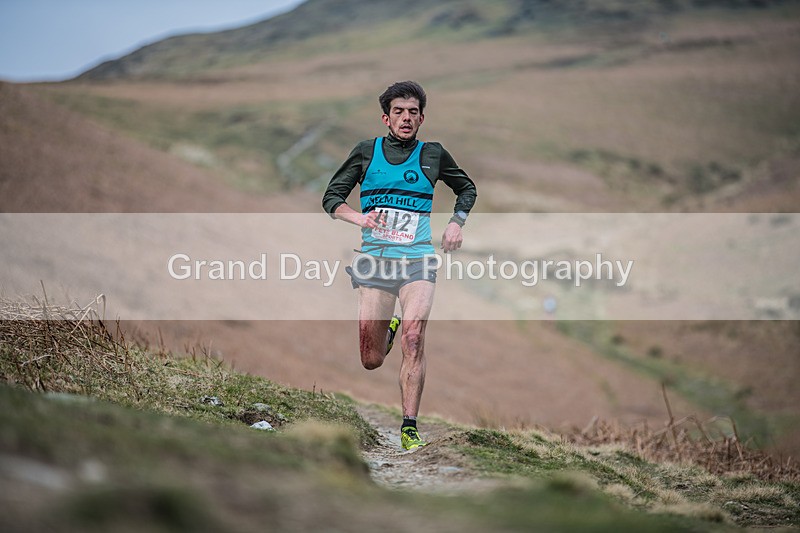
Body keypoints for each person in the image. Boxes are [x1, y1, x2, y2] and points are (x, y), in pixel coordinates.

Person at [322, 81, 477, 450]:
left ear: (421, 118)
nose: (406, 118)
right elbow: (331, 197)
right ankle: (389, 327)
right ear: (386, 118)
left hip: (417, 260)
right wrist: (359, 218)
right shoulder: (366, 152)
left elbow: (466, 188)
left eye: (412, 112)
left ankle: (409, 427)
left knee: (414, 338)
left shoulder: (433, 154)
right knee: (371, 359)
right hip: (375, 262)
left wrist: (456, 223)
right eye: (398, 112)